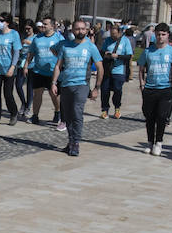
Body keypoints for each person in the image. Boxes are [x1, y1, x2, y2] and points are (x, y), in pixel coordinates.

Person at [50, 19, 102, 157]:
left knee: (77, 113)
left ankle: (76, 142)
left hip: (82, 85)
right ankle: (71, 141)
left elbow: (100, 67)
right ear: (72, 31)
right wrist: (54, 83)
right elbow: (58, 66)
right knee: (67, 116)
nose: (80, 31)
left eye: (82, 29)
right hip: (66, 84)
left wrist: (96, 87)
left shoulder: (91, 47)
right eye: (77, 29)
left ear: (86, 30)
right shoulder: (66, 46)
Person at [138, 23, 172, 156]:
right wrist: (142, 84)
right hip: (149, 88)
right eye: (158, 34)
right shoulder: (148, 51)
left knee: (161, 116)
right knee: (149, 117)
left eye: (163, 34)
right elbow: (141, 69)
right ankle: (150, 142)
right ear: (155, 35)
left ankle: (159, 142)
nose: (160, 37)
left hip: (165, 88)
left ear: (167, 35)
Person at [25, 17, 64, 127]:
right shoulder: (37, 38)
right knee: (37, 94)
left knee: (54, 95)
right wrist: (26, 65)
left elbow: (64, 52)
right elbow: (31, 52)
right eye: (42, 24)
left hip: (53, 72)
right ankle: (35, 115)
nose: (43, 26)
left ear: (52, 26)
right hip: (38, 71)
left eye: (46, 24)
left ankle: (57, 112)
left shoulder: (59, 38)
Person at [0, 15, 21, 127]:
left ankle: (13, 112)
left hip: (8, 69)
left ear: (7, 22)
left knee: (8, 94)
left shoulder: (14, 34)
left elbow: (16, 52)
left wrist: (12, 67)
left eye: (1, 21)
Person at [99, 23, 133, 119]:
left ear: (119, 33)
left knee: (117, 90)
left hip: (119, 70)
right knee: (105, 90)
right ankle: (105, 110)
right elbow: (101, 51)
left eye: (115, 34)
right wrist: (105, 54)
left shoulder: (125, 40)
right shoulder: (107, 40)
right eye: (111, 34)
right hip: (108, 69)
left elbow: (129, 56)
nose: (113, 36)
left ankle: (117, 108)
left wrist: (117, 56)